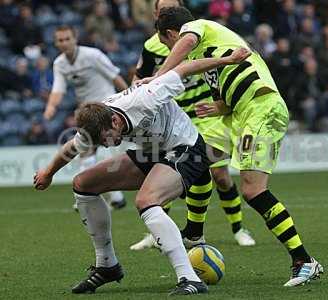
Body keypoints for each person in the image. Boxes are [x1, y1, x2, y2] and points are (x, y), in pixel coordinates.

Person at [34, 47, 251, 295]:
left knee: (146, 200)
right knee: (83, 183)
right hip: (152, 151)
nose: (106, 145)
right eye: (101, 142)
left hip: (187, 147)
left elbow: (183, 68)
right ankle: (107, 265)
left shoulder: (145, 99)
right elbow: (71, 148)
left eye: (107, 138)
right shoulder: (95, 124)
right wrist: (48, 173)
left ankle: (190, 278)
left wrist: (228, 60)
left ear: (115, 121)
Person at [148, 6, 324, 286]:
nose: (170, 49)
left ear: (172, 33)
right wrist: (215, 108)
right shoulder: (211, 56)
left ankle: (304, 261)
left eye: (167, 43)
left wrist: (159, 78)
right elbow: (225, 100)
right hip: (240, 116)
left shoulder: (200, 27)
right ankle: (194, 232)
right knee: (198, 158)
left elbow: (187, 41)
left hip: (261, 109)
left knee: (253, 190)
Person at [130, 0, 255, 251]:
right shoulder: (152, 46)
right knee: (162, 171)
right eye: (162, 8)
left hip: (205, 113)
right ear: (156, 14)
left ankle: (238, 228)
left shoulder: (196, 36)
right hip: (173, 117)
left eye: (170, 7)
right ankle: (159, 233)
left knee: (219, 174)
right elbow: (138, 74)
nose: (165, 11)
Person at [44, 25, 128, 210]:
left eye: (67, 39)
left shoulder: (93, 55)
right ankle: (114, 197)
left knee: (91, 151)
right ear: (56, 43)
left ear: (75, 38)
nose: (64, 43)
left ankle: (88, 195)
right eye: (60, 40)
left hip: (108, 107)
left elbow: (115, 77)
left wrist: (129, 95)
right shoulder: (59, 63)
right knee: (87, 152)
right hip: (87, 112)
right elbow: (58, 89)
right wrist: (50, 107)